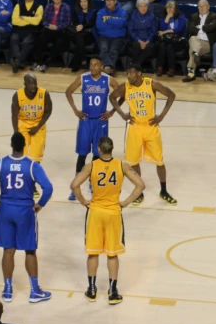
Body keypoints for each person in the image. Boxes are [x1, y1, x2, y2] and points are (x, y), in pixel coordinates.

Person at [0, 133, 54, 304]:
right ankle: (35, 291)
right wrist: (40, 204)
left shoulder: (0, 163)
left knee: (8, 251)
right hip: (24, 212)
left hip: (5, 210)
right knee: (30, 250)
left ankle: (7, 290)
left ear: (11, 145)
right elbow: (48, 188)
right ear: (25, 145)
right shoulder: (32, 165)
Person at [70, 135, 145, 305]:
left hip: (95, 212)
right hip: (113, 213)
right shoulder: (122, 165)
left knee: (93, 252)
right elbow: (140, 185)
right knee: (112, 254)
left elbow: (74, 185)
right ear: (112, 149)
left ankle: (92, 290)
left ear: (98, 149)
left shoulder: (91, 166)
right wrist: (125, 202)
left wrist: (83, 201)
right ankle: (112, 292)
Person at [109, 65, 177, 205]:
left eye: (131, 73)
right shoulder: (126, 86)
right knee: (134, 162)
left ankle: (163, 191)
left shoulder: (151, 84)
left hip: (151, 127)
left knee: (159, 161)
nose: (129, 76)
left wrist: (162, 116)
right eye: (127, 73)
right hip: (134, 128)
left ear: (139, 73)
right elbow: (112, 97)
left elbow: (171, 95)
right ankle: (139, 192)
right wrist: (122, 114)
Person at [65, 57, 118, 200]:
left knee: (97, 154)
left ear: (101, 66)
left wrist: (112, 111)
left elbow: (122, 93)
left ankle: (91, 183)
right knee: (82, 154)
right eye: (90, 65)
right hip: (86, 121)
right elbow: (68, 92)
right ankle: (75, 188)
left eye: (96, 65)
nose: (93, 67)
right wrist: (76, 110)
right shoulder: (83, 78)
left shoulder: (108, 79)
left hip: (101, 121)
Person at [11, 73, 53, 166]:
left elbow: (48, 111)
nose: (33, 86)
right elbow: (14, 115)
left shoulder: (44, 93)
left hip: (38, 123)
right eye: (30, 84)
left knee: (36, 155)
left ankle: (34, 173)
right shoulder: (18, 95)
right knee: (21, 153)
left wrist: (37, 127)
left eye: (35, 83)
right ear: (25, 84)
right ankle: (22, 172)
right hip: (23, 123)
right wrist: (16, 132)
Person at [30, 0, 72, 72]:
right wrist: (49, 25)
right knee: (40, 36)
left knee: (60, 41)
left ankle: (46, 62)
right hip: (49, 29)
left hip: (61, 30)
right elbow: (44, 20)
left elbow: (68, 22)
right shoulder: (48, 7)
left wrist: (57, 27)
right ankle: (38, 61)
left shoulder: (66, 8)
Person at [183, 0, 216, 82]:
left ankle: (191, 74)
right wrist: (205, 27)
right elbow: (190, 30)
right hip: (196, 41)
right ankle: (195, 56)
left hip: (207, 44)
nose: (201, 8)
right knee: (193, 39)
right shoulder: (194, 16)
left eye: (203, 6)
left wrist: (200, 27)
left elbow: (212, 27)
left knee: (193, 49)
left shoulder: (214, 16)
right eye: (199, 6)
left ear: (208, 7)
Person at [9, 0, 43, 73]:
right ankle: (19, 62)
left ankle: (17, 62)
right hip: (18, 30)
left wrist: (23, 17)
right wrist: (30, 19)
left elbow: (36, 22)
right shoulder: (18, 6)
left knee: (26, 42)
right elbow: (14, 21)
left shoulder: (39, 7)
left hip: (31, 31)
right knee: (14, 38)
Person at [95, 0, 128, 75]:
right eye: (107, 0)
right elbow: (99, 25)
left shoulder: (122, 12)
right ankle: (110, 68)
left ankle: (107, 68)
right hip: (104, 36)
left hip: (118, 37)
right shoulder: (101, 12)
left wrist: (108, 21)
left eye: (111, 0)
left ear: (115, 1)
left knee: (113, 49)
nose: (108, 2)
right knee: (104, 48)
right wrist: (115, 25)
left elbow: (122, 23)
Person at [155, 0, 186, 77]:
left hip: (178, 40)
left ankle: (171, 69)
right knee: (161, 45)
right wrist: (167, 18)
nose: (169, 9)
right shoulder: (163, 17)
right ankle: (159, 68)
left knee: (170, 47)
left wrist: (166, 32)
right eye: (167, 8)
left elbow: (179, 29)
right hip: (166, 40)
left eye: (171, 7)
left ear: (175, 8)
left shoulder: (181, 17)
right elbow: (161, 28)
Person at [69, 0, 97, 71]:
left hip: (89, 35)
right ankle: (83, 58)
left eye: (85, 1)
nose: (83, 3)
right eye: (81, 2)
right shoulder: (76, 11)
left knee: (79, 39)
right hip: (78, 34)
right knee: (79, 36)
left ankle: (77, 63)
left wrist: (82, 27)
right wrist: (78, 27)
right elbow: (74, 23)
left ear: (88, 2)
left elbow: (92, 24)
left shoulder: (94, 12)